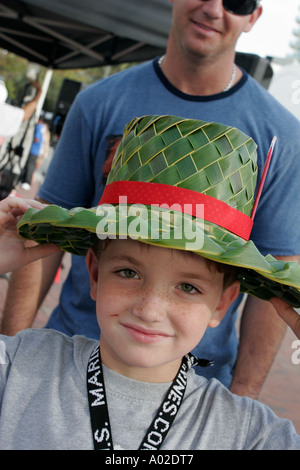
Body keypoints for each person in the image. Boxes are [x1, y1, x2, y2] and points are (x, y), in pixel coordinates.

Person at [2, 0, 300, 400]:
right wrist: (13, 361)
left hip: (196, 389)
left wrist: (240, 401)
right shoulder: (98, 101)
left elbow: (276, 276)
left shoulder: (283, 135)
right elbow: (44, 239)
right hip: (71, 366)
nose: (214, 8)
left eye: (237, 1)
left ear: (253, 17)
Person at [2, 115, 300, 450]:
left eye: (188, 287)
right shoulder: (17, 368)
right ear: (96, 274)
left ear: (222, 303)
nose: (149, 310)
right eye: (129, 273)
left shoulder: (249, 435)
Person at [21, 117, 46, 189]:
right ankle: (27, 181)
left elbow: (36, 139)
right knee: (31, 166)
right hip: (37, 150)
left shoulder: (38, 127)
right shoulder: (43, 128)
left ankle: (26, 181)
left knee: (30, 165)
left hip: (33, 149)